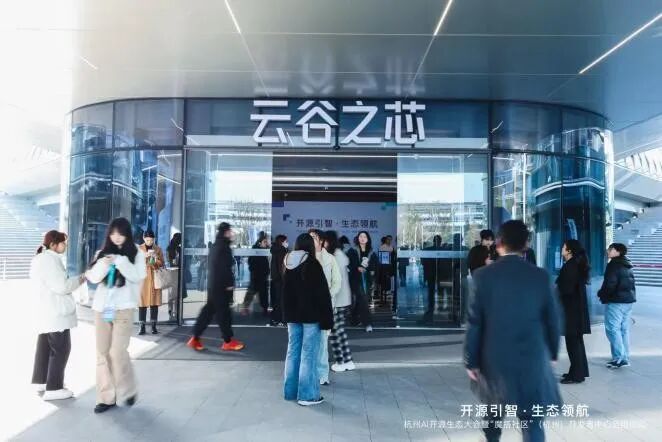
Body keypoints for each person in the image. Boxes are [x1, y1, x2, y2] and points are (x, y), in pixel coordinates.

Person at [464, 220, 561, 442]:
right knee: (533, 421)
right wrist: (553, 352)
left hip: (493, 359)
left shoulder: (482, 276)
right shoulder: (541, 276)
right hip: (533, 358)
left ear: (498, 243)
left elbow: (475, 322)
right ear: (526, 244)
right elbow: (552, 320)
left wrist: (471, 360)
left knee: (493, 414)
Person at [86, 217, 146, 414]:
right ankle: (106, 397)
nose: (117, 237)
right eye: (113, 233)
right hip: (103, 308)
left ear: (127, 234)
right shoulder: (102, 253)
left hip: (124, 308)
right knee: (102, 353)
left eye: (120, 233)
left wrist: (120, 261)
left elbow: (138, 276)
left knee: (117, 351)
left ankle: (128, 390)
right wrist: (104, 263)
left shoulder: (136, 253)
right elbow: (93, 277)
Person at [30, 230, 84, 401]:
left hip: (46, 310)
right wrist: (80, 279)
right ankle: (54, 388)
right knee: (61, 348)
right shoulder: (50, 260)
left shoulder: (40, 259)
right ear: (53, 244)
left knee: (45, 347)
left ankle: (42, 381)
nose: (65, 245)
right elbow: (62, 286)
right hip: (56, 311)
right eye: (63, 242)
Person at [282, 234, 334, 406]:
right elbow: (322, 295)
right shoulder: (312, 264)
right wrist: (327, 320)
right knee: (308, 355)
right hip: (311, 316)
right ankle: (307, 395)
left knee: (292, 352)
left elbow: (284, 292)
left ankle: (290, 392)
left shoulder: (287, 262)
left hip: (292, 316)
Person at [187, 222, 244, 352]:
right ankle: (228, 341)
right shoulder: (223, 247)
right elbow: (224, 268)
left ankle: (195, 338)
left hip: (214, 285)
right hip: (221, 287)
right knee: (224, 314)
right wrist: (229, 284)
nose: (232, 233)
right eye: (230, 231)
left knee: (208, 312)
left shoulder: (216, 245)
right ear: (225, 232)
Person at [309, 229, 342, 386]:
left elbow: (337, 282)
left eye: (314, 237)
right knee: (309, 342)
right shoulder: (304, 258)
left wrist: (328, 295)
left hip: (325, 305)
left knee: (322, 342)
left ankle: (322, 374)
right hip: (308, 306)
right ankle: (309, 373)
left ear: (321, 241)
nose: (311, 240)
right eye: (309, 237)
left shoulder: (330, 259)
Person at [556, 239, 591, 384]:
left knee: (573, 344)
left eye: (564, 247)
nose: (562, 249)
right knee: (576, 343)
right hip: (576, 310)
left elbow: (566, 290)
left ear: (569, 250)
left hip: (571, 311)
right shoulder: (576, 264)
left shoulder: (570, 266)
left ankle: (577, 375)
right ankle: (578, 371)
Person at [598, 243, 636, 369]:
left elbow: (610, 284)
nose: (608, 251)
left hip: (616, 302)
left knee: (612, 329)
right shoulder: (627, 264)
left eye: (610, 249)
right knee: (624, 330)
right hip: (628, 301)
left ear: (617, 251)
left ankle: (619, 358)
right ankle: (624, 357)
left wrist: (602, 294)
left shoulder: (613, 264)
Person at [325, 231, 356, 373]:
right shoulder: (340, 255)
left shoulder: (333, 257)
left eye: (324, 241)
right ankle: (348, 361)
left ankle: (340, 361)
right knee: (340, 332)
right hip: (343, 299)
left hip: (336, 300)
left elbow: (333, 281)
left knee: (334, 333)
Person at [347, 231, 377, 332]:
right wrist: (357, 267)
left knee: (361, 300)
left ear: (368, 239)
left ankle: (354, 319)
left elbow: (374, 264)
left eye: (364, 236)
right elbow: (349, 263)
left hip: (367, 279)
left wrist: (372, 270)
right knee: (363, 299)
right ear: (358, 238)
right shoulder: (352, 250)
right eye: (360, 236)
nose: (362, 238)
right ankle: (367, 323)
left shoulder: (371, 252)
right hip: (356, 279)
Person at [138, 230, 165, 335]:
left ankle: (154, 326)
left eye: (151, 240)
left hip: (154, 279)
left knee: (154, 304)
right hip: (143, 280)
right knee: (142, 303)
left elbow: (161, 263)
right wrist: (144, 257)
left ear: (154, 239)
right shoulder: (139, 249)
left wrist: (155, 258)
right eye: (147, 240)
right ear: (143, 238)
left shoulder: (158, 249)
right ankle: (142, 327)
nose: (149, 242)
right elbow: (135, 263)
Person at [420, 235, 446, 324]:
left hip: (431, 274)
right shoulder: (444, 250)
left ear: (433, 241)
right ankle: (440, 307)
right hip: (440, 274)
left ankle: (431, 308)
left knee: (431, 292)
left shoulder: (427, 250)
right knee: (440, 291)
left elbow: (423, 262)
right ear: (440, 241)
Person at [244, 232, 270, 316]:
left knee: (263, 293)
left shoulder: (265, 250)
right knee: (252, 291)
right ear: (260, 242)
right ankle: (245, 307)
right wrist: (254, 272)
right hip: (256, 275)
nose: (266, 243)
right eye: (265, 241)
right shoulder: (255, 249)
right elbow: (251, 262)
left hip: (262, 276)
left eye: (267, 241)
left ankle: (265, 309)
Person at [269, 234, 289, 326]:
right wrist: (285, 279)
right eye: (286, 241)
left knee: (277, 299)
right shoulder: (281, 251)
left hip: (276, 279)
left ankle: (276, 318)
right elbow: (282, 268)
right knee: (281, 300)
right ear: (282, 242)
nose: (287, 243)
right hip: (281, 279)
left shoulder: (275, 250)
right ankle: (281, 319)